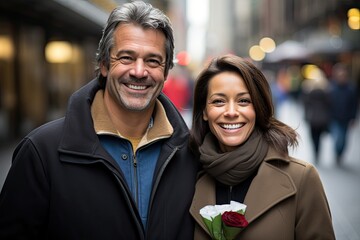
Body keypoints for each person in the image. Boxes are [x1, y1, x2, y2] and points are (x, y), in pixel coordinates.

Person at [0, 1, 198, 239]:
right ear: (104, 65)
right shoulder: (41, 152)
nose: (139, 71)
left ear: (165, 72)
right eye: (126, 57)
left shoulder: (192, 154)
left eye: (153, 61)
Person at [188, 55, 335, 239]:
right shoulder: (188, 176)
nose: (231, 112)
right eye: (219, 101)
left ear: (258, 108)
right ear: (204, 112)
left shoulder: (302, 179)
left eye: (244, 101)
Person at [328, 63, 358, 165]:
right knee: (338, 138)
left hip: (346, 118)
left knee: (344, 139)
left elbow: (354, 105)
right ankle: (337, 152)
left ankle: (340, 154)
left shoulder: (351, 89)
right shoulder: (331, 88)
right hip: (334, 118)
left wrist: (353, 118)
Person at [301, 68, 331, 164]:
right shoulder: (326, 92)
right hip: (322, 118)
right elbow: (329, 105)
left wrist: (305, 116)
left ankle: (316, 152)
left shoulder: (309, 92)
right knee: (319, 137)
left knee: (313, 137)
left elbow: (305, 105)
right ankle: (317, 152)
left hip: (312, 118)